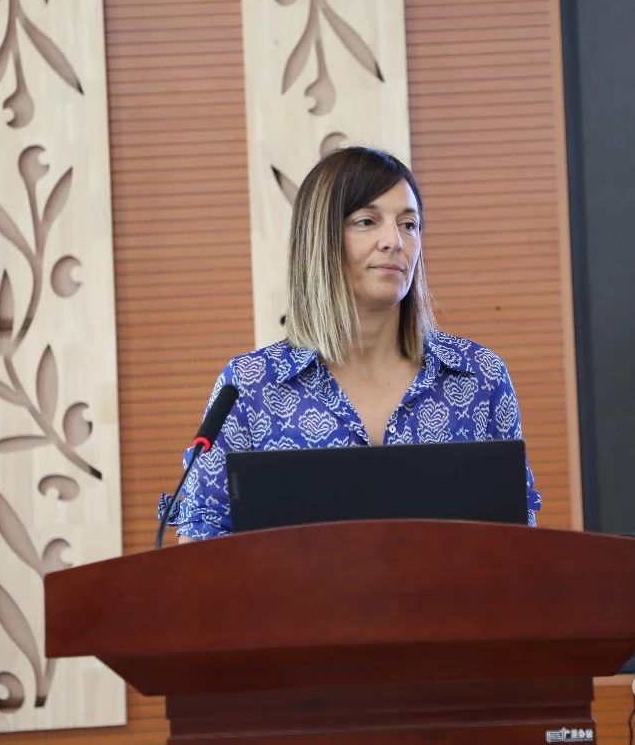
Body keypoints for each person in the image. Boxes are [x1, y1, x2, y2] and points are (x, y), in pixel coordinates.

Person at [161, 146, 542, 540]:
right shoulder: (250, 386)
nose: (394, 240)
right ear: (321, 240)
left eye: (409, 224)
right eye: (366, 221)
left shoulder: (479, 377)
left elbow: (520, 543)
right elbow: (201, 545)